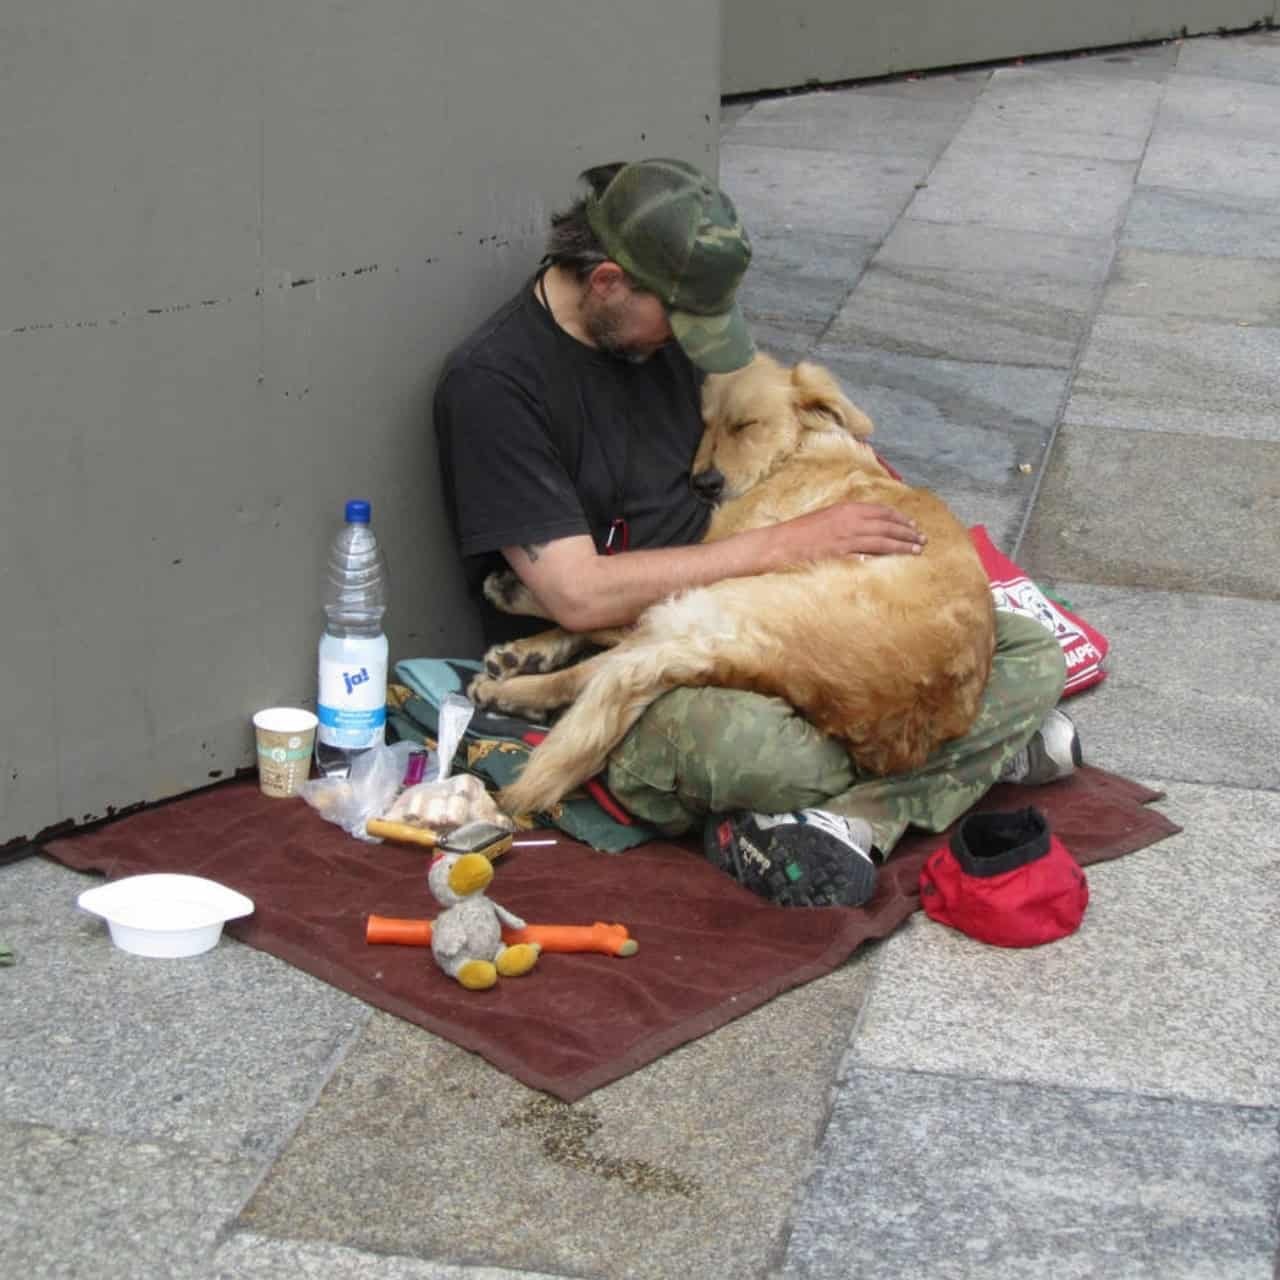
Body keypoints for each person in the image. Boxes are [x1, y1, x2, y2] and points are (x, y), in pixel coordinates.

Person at [434, 157, 1078, 908]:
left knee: (1028, 646)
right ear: (608, 281)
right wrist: (788, 544)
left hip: (771, 613)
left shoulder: (659, 334)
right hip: (641, 647)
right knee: (762, 752)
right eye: (679, 322)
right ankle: (927, 779)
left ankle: (857, 814)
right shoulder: (496, 385)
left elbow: (769, 424)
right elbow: (576, 596)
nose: (693, 345)